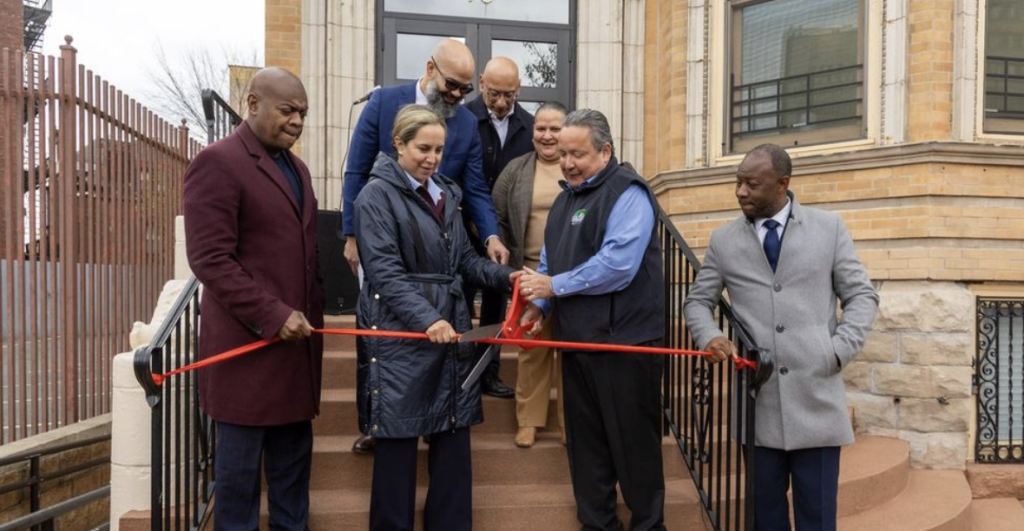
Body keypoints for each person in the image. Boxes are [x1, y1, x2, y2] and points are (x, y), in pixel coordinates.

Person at [683, 144, 878, 531]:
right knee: (765, 520)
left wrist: (835, 352)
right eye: (737, 182)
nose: (741, 192)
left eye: (752, 184)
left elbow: (862, 296)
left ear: (782, 184)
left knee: (817, 520)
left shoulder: (829, 228)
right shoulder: (723, 241)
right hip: (757, 405)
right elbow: (696, 302)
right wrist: (708, 337)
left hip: (817, 397)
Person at [354, 105, 517, 531]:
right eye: (423, 148)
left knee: (453, 436)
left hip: (450, 328)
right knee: (397, 448)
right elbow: (384, 273)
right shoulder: (374, 196)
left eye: (439, 150)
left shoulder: (447, 192)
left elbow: (465, 261)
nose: (431, 158)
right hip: (399, 335)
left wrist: (509, 277)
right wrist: (427, 319)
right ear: (398, 144)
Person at [342, 38, 510, 453]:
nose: (457, 96)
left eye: (465, 90)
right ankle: (378, 421)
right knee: (384, 336)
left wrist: (490, 236)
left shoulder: (466, 123)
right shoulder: (383, 104)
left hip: (437, 246)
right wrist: (350, 235)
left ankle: (436, 418)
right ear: (430, 68)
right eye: (452, 85)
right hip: (384, 235)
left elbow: (473, 187)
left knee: (438, 336)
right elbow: (357, 169)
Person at [183, 67, 324, 531]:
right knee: (239, 501)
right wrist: (275, 314)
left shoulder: (299, 169)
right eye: (288, 111)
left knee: (291, 495)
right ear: (252, 104)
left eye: (302, 113)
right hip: (247, 363)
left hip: (294, 365)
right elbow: (211, 259)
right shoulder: (218, 162)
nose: (297, 121)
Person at [519, 109, 667, 531]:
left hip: (626, 346)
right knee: (586, 452)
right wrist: (539, 307)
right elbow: (550, 260)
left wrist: (554, 287)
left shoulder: (630, 193)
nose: (567, 163)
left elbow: (617, 265)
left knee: (634, 453)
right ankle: (597, 525)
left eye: (577, 154)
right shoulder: (565, 199)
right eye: (563, 154)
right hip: (578, 343)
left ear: (605, 151)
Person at [491, 101, 566, 448]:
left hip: (574, 278)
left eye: (555, 128)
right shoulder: (517, 170)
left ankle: (572, 425)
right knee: (531, 346)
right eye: (541, 128)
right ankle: (529, 421)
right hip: (530, 275)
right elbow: (497, 214)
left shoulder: (578, 165)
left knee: (572, 350)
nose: (547, 135)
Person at [464, 56, 536, 400]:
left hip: (504, 233)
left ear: (518, 89)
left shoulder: (530, 125)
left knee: (496, 305)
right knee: (460, 301)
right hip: (464, 228)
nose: (502, 102)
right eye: (494, 94)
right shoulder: (463, 118)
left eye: (509, 94)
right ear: (481, 83)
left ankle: (488, 373)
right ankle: (459, 372)